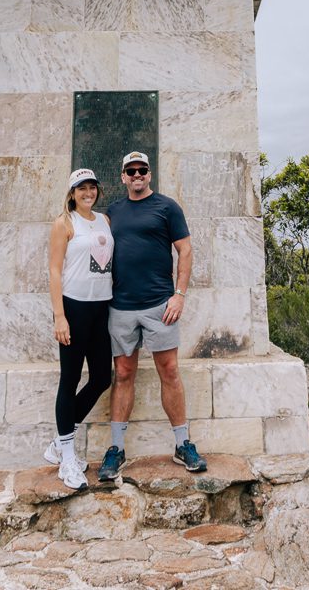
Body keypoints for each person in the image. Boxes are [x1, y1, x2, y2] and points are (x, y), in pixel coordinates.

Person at [97, 151, 207, 480]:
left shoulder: (167, 207)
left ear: (149, 173)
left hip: (160, 305)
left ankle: (182, 443)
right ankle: (116, 448)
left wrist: (179, 294)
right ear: (123, 177)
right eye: (130, 171)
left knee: (169, 370)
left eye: (141, 170)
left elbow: (185, 250)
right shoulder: (113, 212)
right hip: (121, 307)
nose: (136, 175)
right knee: (124, 373)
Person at [45, 167, 114, 490]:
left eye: (92, 187)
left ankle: (60, 440)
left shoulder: (104, 221)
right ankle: (68, 458)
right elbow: (55, 272)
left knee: (102, 377)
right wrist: (60, 316)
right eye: (81, 188)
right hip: (74, 307)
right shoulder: (64, 223)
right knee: (70, 379)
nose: (88, 192)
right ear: (72, 193)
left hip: (102, 307)